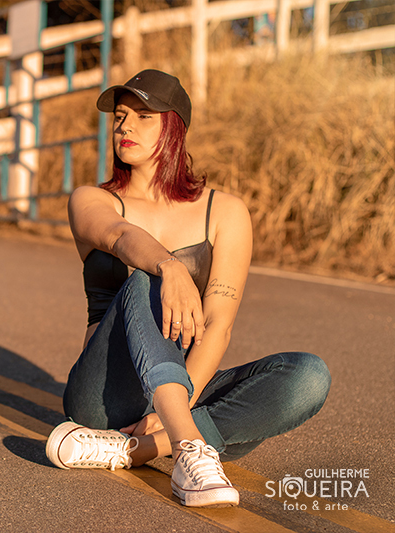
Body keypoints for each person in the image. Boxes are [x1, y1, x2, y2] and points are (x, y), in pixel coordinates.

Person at [45, 70, 331, 508]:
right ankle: (191, 448)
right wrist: (171, 266)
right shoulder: (92, 199)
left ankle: (140, 449)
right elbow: (120, 236)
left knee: (308, 376)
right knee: (149, 278)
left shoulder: (225, 211)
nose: (124, 126)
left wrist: (167, 415)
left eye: (143, 116)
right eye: (120, 116)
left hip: (183, 388)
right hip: (103, 398)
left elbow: (217, 323)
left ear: (174, 127)